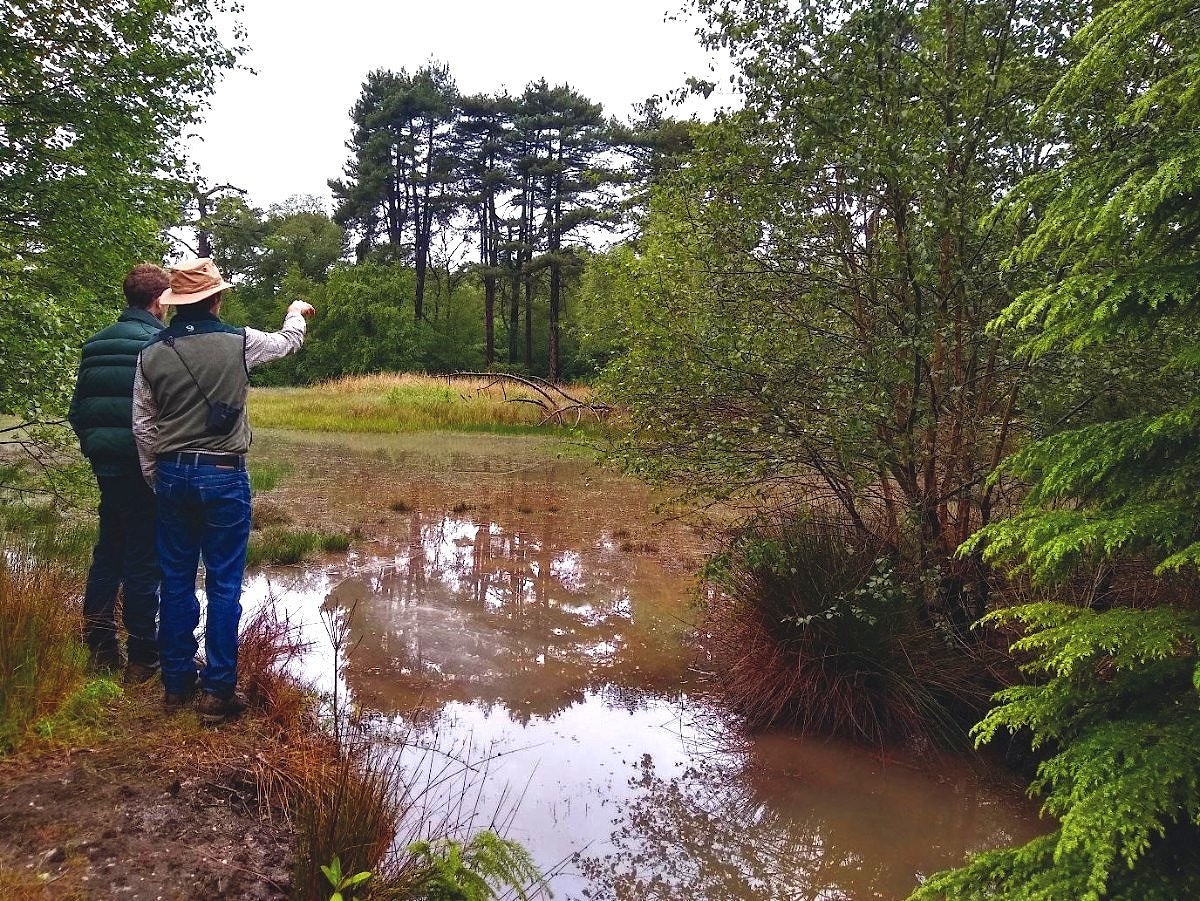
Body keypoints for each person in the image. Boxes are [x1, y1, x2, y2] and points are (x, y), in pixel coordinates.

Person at [132, 258, 314, 724]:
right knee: (224, 585)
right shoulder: (241, 342)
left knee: (175, 582)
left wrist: (159, 476)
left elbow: (144, 426)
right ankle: (218, 691)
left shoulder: (150, 353)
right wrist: (295, 310)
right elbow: (289, 343)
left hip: (172, 475)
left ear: (175, 305)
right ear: (216, 299)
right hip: (225, 474)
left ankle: (175, 685)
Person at [68, 264, 169, 683]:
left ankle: (98, 643)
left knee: (109, 549)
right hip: (142, 464)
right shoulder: (156, 344)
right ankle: (142, 654)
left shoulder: (94, 345)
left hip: (106, 464)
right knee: (144, 555)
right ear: (159, 301)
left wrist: (95, 449)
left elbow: (78, 410)